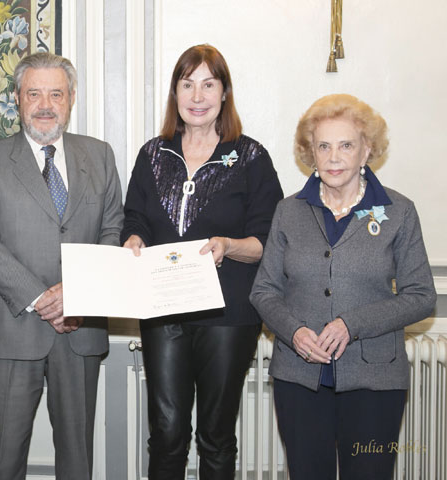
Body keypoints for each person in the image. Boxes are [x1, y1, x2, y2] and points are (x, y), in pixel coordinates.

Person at [250, 94, 436, 479]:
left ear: (367, 150)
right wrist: (295, 331)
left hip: (376, 382)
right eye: (323, 146)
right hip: (299, 379)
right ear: (310, 153)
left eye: (346, 145)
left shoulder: (398, 212)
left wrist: (352, 324)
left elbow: (421, 296)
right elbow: (263, 291)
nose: (334, 157)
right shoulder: (288, 211)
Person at [121, 44, 283, 479]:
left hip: (228, 315)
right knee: (167, 432)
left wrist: (228, 245)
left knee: (215, 435)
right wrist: (133, 236)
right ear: (175, 94)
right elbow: (134, 217)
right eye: (187, 84)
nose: (197, 96)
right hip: (163, 310)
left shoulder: (250, 157)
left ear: (224, 93)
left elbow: (269, 240)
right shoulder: (153, 154)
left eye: (208, 84)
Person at [0, 52, 123, 479]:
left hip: (82, 327)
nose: (45, 104)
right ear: (17, 98)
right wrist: (42, 298)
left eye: (56, 93)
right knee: (4, 457)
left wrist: (77, 292)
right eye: (34, 93)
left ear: (71, 99)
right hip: (13, 332)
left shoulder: (101, 156)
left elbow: (113, 233)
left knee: (77, 460)